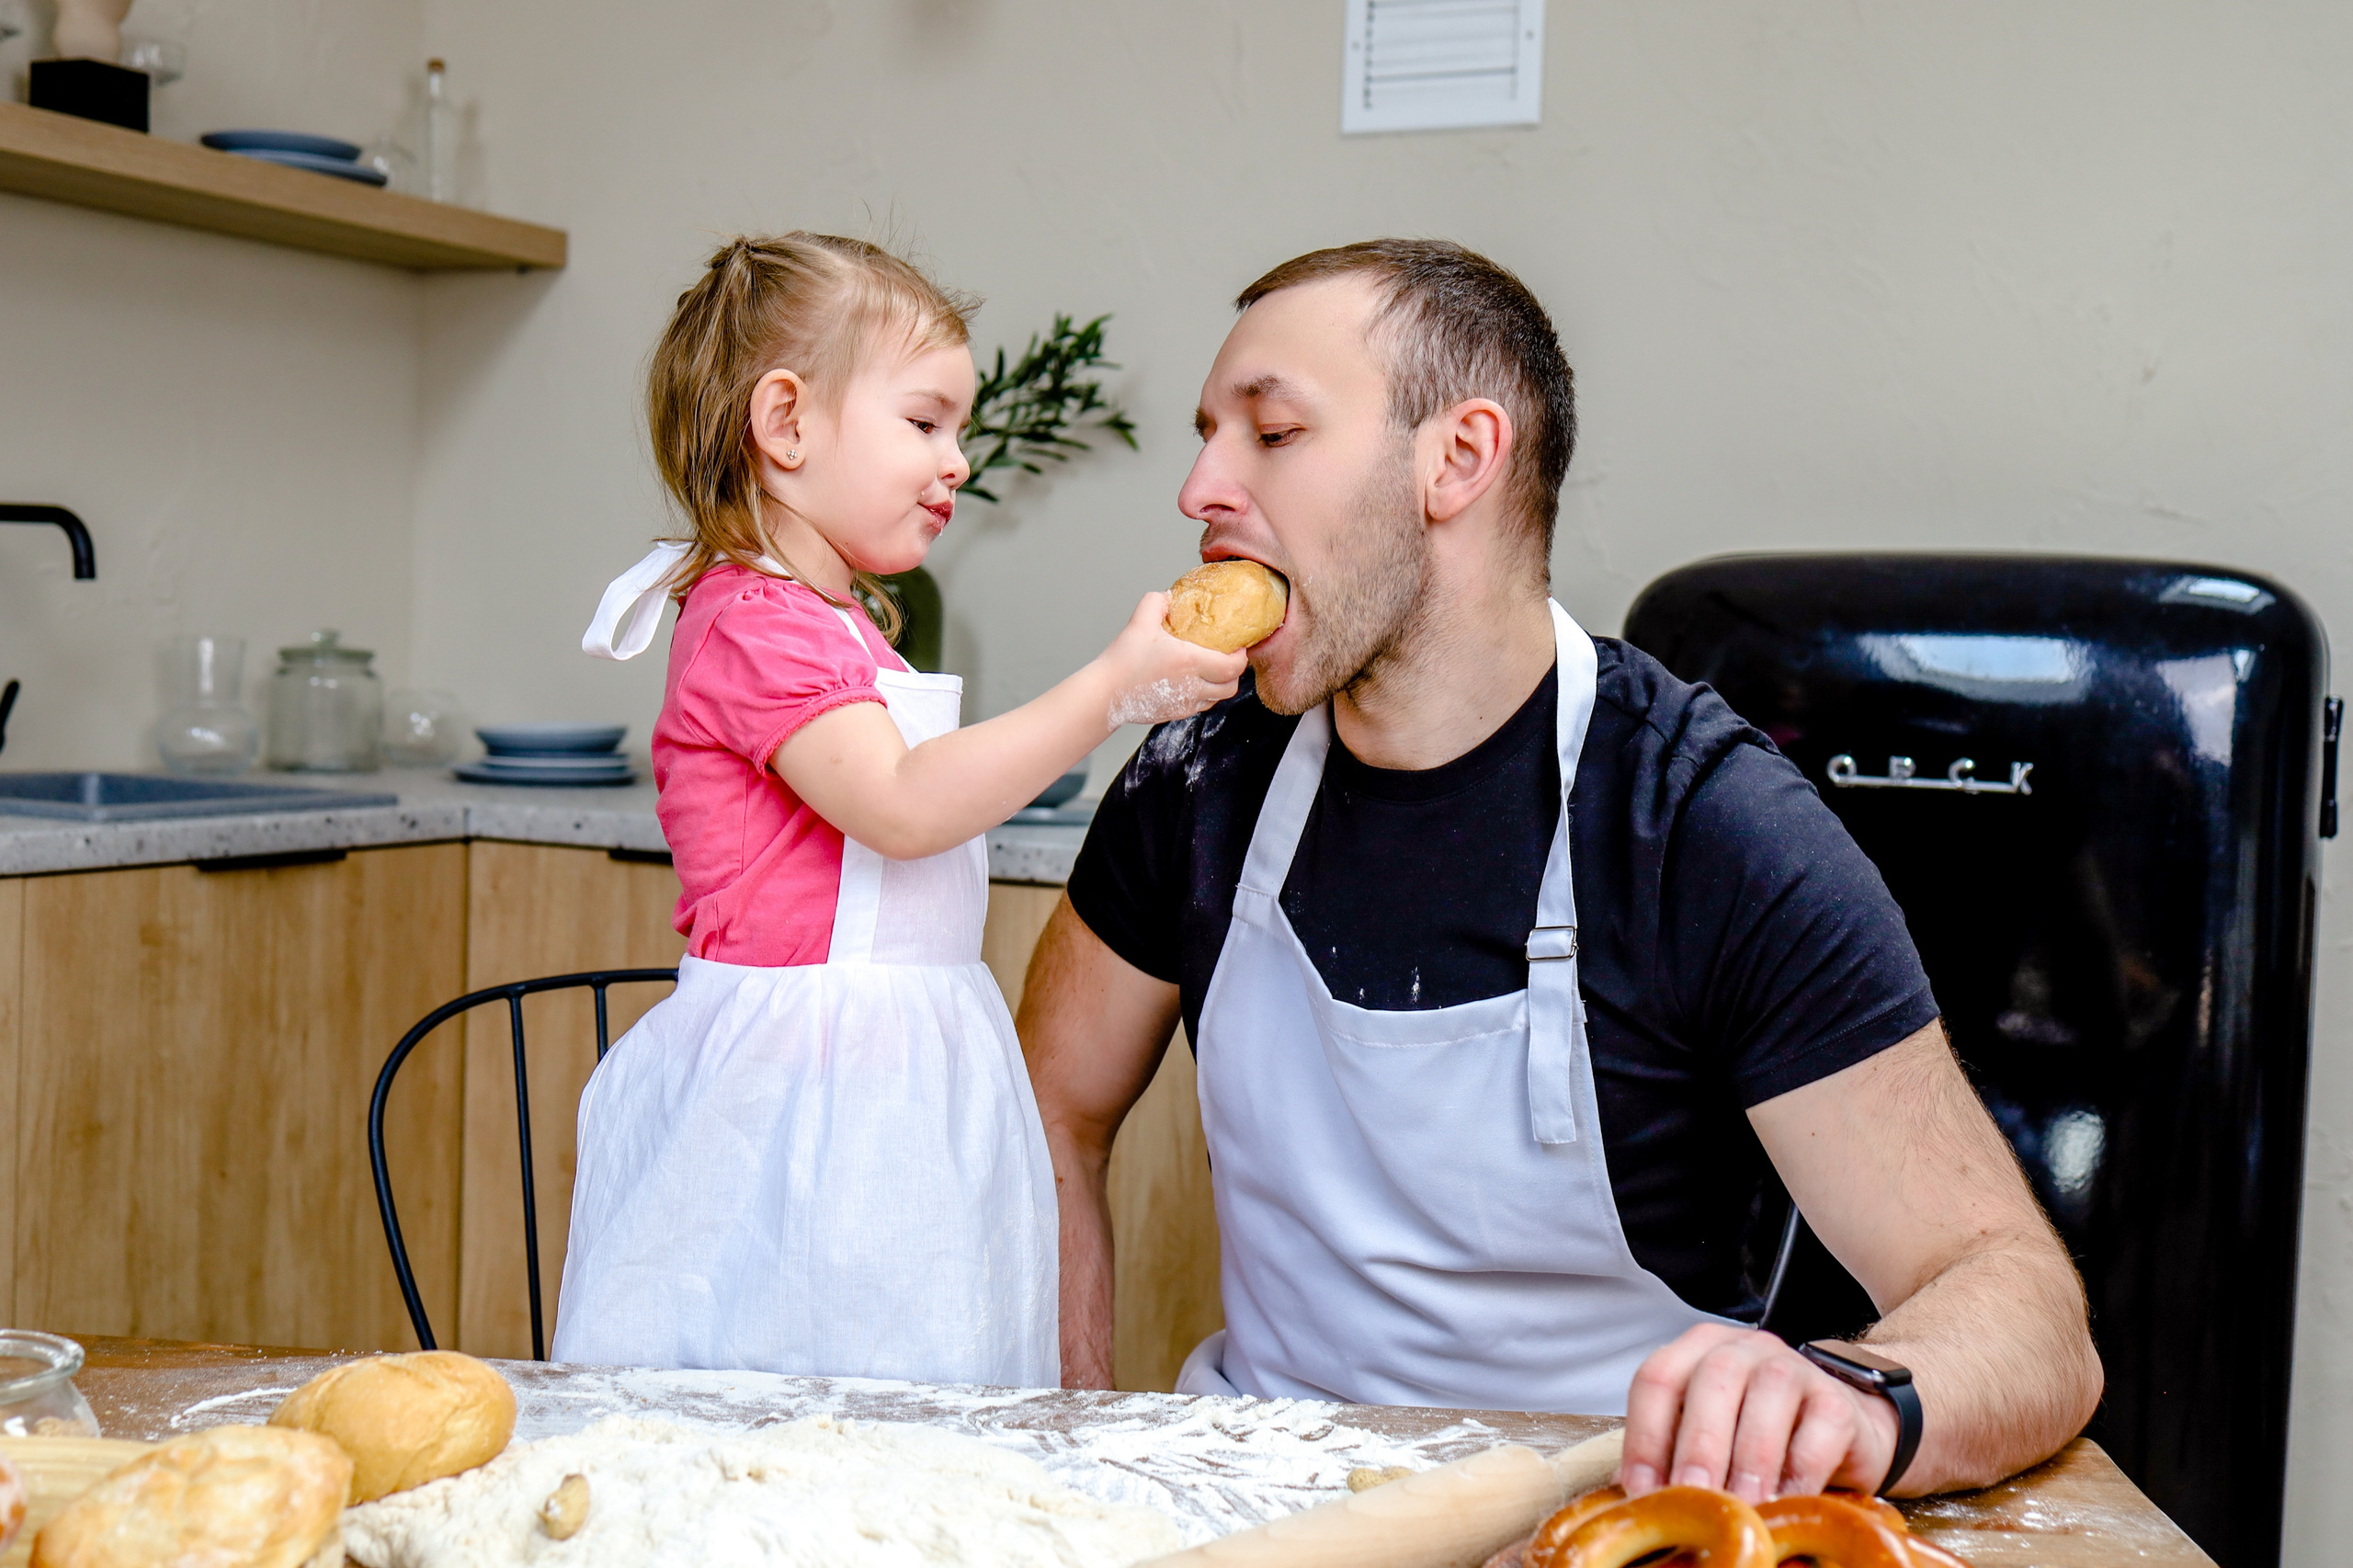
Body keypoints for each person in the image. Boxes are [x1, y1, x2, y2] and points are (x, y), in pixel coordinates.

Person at [1020, 239, 2103, 1499]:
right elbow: (1047, 1114)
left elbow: (2020, 1301)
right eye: (1211, 433)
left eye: (1271, 432)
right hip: (1261, 1499)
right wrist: (1071, 1451)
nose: (1201, 484)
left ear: (1460, 457)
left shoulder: (1706, 828)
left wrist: (1858, 1400)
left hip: (1613, 1511)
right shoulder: (1194, 784)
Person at [553, 233, 1242, 1384]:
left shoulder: (837, 620)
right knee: (782, 1393)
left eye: (959, 429)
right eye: (924, 422)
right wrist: (1108, 691)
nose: (956, 458)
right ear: (786, 426)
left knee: (913, 1384)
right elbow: (904, 807)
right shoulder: (750, 619)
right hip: (796, 1096)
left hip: (893, 1071)